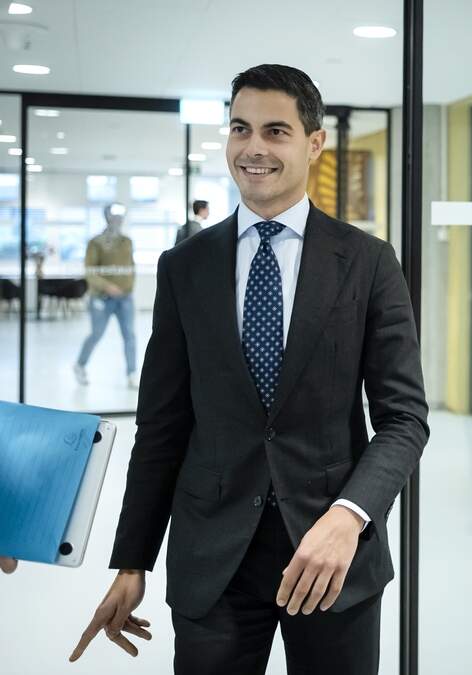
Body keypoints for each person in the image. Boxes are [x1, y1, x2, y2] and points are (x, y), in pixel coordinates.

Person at [69, 64, 429, 674]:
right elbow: (162, 426)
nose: (253, 147)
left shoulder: (367, 261)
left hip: (330, 554)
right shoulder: (184, 266)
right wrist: (132, 560)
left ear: (314, 143)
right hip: (214, 559)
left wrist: (350, 516)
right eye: (240, 128)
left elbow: (404, 418)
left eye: (275, 131)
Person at [74, 203, 139, 389]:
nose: (118, 220)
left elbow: (130, 266)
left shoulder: (127, 242)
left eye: (120, 216)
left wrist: (128, 287)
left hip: (125, 298)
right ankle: (80, 365)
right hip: (101, 298)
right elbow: (90, 271)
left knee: (129, 335)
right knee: (96, 333)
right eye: (114, 216)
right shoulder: (95, 243)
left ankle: (132, 372)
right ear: (107, 217)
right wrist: (107, 286)